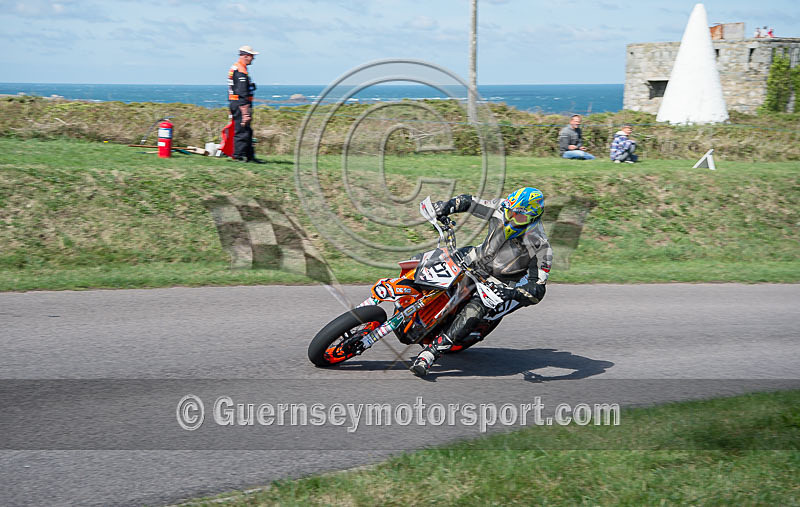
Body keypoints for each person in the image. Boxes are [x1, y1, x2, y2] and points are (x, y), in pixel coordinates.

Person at [410, 187, 552, 377]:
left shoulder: (540, 244)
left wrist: (511, 293)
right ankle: (406, 299)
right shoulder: (501, 208)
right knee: (424, 261)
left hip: (500, 282)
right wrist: (446, 207)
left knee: (475, 309)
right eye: (510, 212)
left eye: (518, 216)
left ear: (532, 217)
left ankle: (430, 353)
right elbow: (470, 202)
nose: (510, 218)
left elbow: (538, 288)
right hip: (475, 258)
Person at [227, 45, 263, 163]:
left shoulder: (238, 68)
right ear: (246, 56)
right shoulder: (240, 71)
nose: (253, 59)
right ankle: (239, 156)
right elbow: (241, 92)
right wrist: (245, 112)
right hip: (240, 104)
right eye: (252, 56)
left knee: (247, 131)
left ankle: (249, 156)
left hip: (236, 103)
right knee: (242, 130)